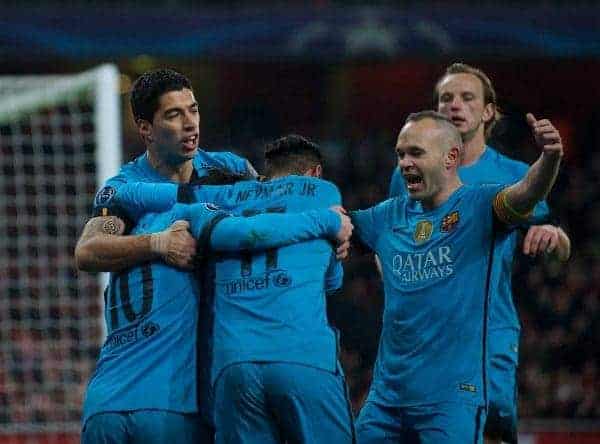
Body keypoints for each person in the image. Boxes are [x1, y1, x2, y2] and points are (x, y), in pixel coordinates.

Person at [75, 69, 353, 442]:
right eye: (174, 115)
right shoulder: (123, 189)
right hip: (176, 399)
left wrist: (328, 236)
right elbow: (88, 250)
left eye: (194, 110)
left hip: (128, 395)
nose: (190, 124)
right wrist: (157, 244)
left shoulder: (230, 169)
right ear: (145, 128)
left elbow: (271, 220)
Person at [353, 110, 563, 443]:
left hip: (452, 399)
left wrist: (549, 158)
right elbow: (336, 228)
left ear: (451, 157)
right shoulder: (385, 216)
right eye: (400, 154)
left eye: (416, 153)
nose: (405, 162)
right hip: (385, 401)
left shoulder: (480, 205)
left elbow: (525, 193)